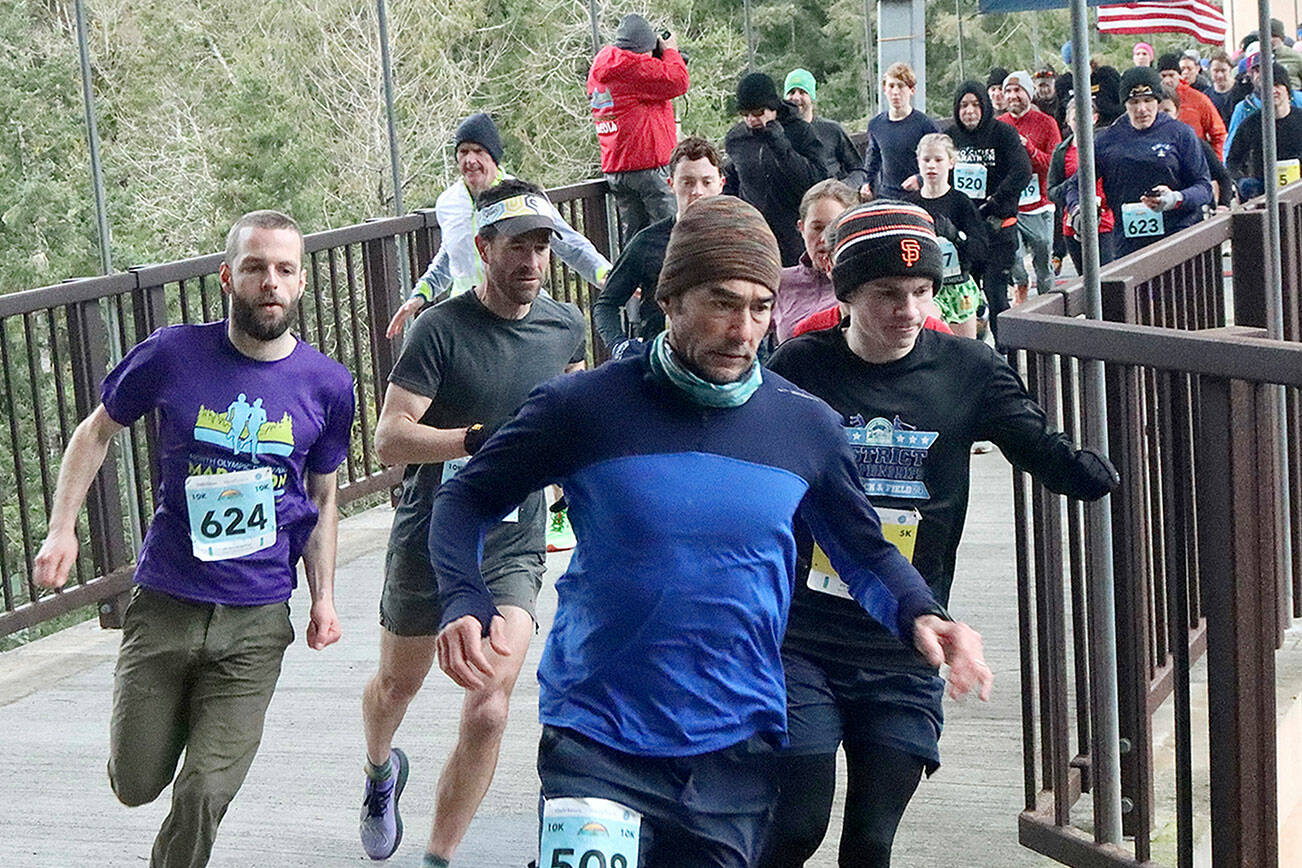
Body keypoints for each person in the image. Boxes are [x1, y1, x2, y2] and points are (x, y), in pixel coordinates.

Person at [430, 195, 991, 867]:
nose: (745, 329)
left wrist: (920, 614)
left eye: (760, 307)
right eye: (724, 303)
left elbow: (863, 552)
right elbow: (464, 501)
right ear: (670, 300)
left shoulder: (804, 426)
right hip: (597, 735)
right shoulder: (582, 407)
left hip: (736, 747)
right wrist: (464, 597)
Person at [757, 199, 1119, 868]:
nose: (908, 310)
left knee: (869, 841)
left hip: (907, 638)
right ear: (847, 292)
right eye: (886, 293)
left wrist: (1097, 472)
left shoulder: (967, 371)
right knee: (795, 824)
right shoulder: (801, 369)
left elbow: (1037, 443)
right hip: (801, 637)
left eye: (922, 291)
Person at [33, 210, 354, 868]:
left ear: (300, 284)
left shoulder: (328, 386)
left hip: (258, 616)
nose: (271, 281)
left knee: (204, 790)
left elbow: (322, 495)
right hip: (167, 602)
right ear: (227, 276)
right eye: (257, 266)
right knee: (135, 784)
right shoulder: (173, 353)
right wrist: (62, 527)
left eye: (285, 270)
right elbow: (96, 431)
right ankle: (159, 724)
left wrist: (324, 597)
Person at [359, 180, 587, 867]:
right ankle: (378, 773)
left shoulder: (563, 328)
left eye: (543, 245)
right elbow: (389, 440)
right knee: (399, 684)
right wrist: (476, 441)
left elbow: (572, 419)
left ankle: (439, 856)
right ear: (484, 247)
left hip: (514, 539)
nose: (532, 260)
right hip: (432, 532)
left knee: (490, 704)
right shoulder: (441, 330)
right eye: (518, 245)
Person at [385, 114, 610, 337]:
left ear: (494, 156)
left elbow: (566, 241)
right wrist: (420, 295)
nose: (470, 160)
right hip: (467, 318)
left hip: (518, 314)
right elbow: (450, 257)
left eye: (478, 151)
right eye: (463, 152)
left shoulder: (521, 196)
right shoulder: (448, 202)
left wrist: (604, 273)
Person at [593, 135, 726, 356]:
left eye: (706, 181)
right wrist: (621, 347)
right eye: (688, 182)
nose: (697, 192)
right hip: (661, 361)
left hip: (723, 360)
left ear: (721, 184)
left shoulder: (739, 237)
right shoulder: (647, 242)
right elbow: (606, 305)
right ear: (671, 184)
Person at [1068, 66, 1212, 259]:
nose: (1142, 109)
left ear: (1157, 101)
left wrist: (1176, 198)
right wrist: (1078, 212)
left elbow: (1204, 187)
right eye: (1134, 102)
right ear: (1124, 104)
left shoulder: (1180, 133)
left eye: (1148, 101)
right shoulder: (1106, 139)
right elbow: (1076, 186)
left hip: (1178, 235)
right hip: (1129, 242)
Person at [587, 13, 690, 245]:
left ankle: (636, 282)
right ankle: (666, 282)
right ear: (644, 49)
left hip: (616, 169)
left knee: (635, 242)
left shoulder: (602, 68)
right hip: (650, 168)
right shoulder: (632, 67)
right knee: (669, 239)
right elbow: (678, 80)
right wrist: (671, 52)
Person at [946, 80, 1032, 339]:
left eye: (974, 105)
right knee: (966, 298)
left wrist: (996, 200)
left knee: (996, 295)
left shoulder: (1002, 133)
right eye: (963, 105)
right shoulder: (950, 137)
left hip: (998, 226)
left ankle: (1008, 355)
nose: (969, 111)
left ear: (985, 106)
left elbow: (1022, 171)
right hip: (966, 231)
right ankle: (974, 350)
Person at [724, 71, 830, 266]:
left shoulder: (801, 131)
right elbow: (731, 182)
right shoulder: (736, 139)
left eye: (758, 113)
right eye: (745, 114)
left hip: (793, 237)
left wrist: (780, 145)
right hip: (753, 236)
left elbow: (818, 182)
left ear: (773, 108)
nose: (751, 120)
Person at [904, 133, 988, 339]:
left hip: (957, 285)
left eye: (938, 160)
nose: (932, 165)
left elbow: (981, 249)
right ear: (918, 162)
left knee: (964, 352)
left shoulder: (961, 202)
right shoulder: (908, 204)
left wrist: (957, 238)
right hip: (924, 286)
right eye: (926, 160)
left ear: (951, 163)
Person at [998, 70, 1061, 305]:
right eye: (1009, 91)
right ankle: (1020, 282)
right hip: (1011, 203)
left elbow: (1053, 164)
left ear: (1029, 94)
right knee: (1010, 252)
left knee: (1043, 249)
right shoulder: (999, 124)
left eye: (1018, 90)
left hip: (1039, 203)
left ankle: (1048, 298)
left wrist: (1030, 149)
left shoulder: (1046, 123)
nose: (1013, 96)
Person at [773, 179, 859, 342]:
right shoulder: (780, 281)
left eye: (834, 228)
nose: (824, 239)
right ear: (802, 228)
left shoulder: (865, 285)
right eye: (817, 228)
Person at [1048, 96, 1117, 273]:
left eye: (1085, 117)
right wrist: (1074, 184)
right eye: (1075, 119)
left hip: (1106, 222)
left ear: (1094, 118)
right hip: (1073, 224)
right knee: (1084, 278)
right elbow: (1052, 191)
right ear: (1068, 121)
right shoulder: (1062, 151)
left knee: (1107, 274)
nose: (1080, 122)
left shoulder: (1105, 145)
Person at [850, 62, 938, 201]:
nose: (896, 92)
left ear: (912, 90)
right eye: (891, 86)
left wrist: (920, 179)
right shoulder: (876, 124)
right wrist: (866, 184)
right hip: (887, 195)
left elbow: (940, 160)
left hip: (918, 196)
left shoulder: (925, 125)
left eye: (901, 86)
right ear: (885, 89)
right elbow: (873, 159)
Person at [1225, 63, 1302, 200]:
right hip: (1264, 197)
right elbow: (1231, 162)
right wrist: (1242, 182)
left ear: (1287, 90)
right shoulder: (1251, 124)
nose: (1273, 90)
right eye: (1267, 86)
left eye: (1277, 85)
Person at [1159, 88, 1234, 207]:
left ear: (1177, 113)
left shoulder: (1194, 143)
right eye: (1157, 112)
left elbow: (1223, 177)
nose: (1162, 117)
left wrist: (1223, 206)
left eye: (1166, 111)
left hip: (1189, 210)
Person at [785, 67, 863, 179]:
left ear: (811, 97)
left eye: (802, 92)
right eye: (791, 92)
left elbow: (858, 169)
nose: (796, 98)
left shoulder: (832, 130)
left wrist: (842, 190)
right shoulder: (778, 133)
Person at [1225, 53, 1302, 154]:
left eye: (1277, 84)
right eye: (1257, 70)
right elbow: (1231, 150)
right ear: (1250, 74)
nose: (1261, 73)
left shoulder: (1298, 99)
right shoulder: (1243, 108)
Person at [1157, 53, 1227, 159]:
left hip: (1195, 158)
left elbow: (1219, 134)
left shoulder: (1198, 99)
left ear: (1179, 75)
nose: (1167, 81)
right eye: (1163, 76)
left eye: (1171, 75)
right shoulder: (1151, 101)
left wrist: (1216, 162)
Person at [1207, 49, 1245, 128]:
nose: (1220, 75)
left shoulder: (1243, 91)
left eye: (1223, 70)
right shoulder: (1206, 96)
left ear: (1230, 69)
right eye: (1216, 71)